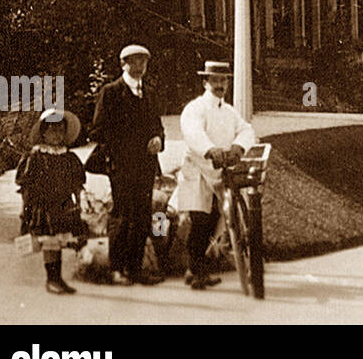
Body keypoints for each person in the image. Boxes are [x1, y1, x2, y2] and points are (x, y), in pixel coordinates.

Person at [173, 60, 256, 289]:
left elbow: (246, 129)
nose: (220, 84)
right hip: (198, 171)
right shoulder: (195, 108)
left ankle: (196, 269)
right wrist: (210, 150)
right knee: (200, 221)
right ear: (205, 82)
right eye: (215, 80)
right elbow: (192, 132)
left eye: (223, 80)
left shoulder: (229, 111)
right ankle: (196, 270)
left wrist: (239, 147)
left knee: (213, 222)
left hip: (219, 173)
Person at [89, 44, 165, 285]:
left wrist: (158, 140)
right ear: (123, 64)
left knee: (143, 216)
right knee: (122, 215)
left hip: (145, 165)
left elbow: (158, 126)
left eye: (144, 61)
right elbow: (98, 131)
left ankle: (135, 268)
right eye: (135, 61)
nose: (140, 66)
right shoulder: (111, 92)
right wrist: (125, 144)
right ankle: (117, 268)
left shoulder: (150, 93)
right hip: (121, 166)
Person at [15, 108, 87, 295]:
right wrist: (26, 208)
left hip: (63, 206)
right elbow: (27, 185)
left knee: (58, 241)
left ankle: (58, 278)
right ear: (43, 133)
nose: (56, 135)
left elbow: (76, 183)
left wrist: (79, 201)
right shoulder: (35, 156)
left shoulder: (68, 157)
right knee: (49, 242)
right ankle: (51, 279)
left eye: (60, 130)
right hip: (43, 206)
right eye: (52, 130)